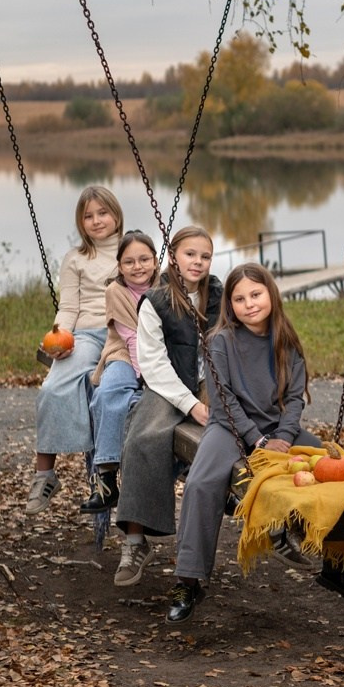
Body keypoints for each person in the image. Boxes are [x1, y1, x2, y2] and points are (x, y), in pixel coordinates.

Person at [166, 264, 344, 623]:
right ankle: (189, 578)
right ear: (230, 305)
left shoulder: (285, 341)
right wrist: (258, 440)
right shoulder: (220, 342)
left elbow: (294, 399)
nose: (249, 304)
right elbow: (224, 400)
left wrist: (283, 436)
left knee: (337, 474)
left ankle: (341, 567)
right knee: (201, 482)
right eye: (239, 299)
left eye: (256, 295)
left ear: (271, 295)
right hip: (229, 427)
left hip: (279, 428)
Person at [113, 226, 222, 587]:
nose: (198, 262)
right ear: (173, 256)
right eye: (190, 254)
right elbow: (154, 364)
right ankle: (135, 540)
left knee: (237, 429)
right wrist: (190, 405)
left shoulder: (218, 294)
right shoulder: (156, 301)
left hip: (208, 381)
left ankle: (272, 522)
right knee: (143, 438)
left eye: (205, 256)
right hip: (168, 385)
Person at [27, 185, 123, 515]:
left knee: (110, 394)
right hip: (86, 335)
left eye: (102, 213)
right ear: (81, 223)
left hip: (125, 335)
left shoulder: (131, 250)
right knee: (52, 388)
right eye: (88, 216)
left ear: (116, 214)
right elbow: (68, 307)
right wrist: (60, 336)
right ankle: (45, 475)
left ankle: (106, 478)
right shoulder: (76, 258)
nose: (96, 221)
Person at [80, 230, 160, 513]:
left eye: (144, 259)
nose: (138, 267)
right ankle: (106, 478)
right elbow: (131, 339)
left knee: (141, 403)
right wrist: (143, 379)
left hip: (159, 355)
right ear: (120, 266)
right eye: (129, 262)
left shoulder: (164, 287)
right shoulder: (116, 291)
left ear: (155, 261)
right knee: (108, 393)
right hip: (124, 354)